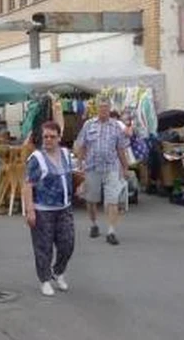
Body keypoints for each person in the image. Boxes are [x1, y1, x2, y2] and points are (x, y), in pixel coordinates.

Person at [22, 121, 75, 297]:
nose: (49, 140)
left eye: (52, 137)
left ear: (59, 138)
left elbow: (71, 175)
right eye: (45, 137)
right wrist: (30, 210)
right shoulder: (36, 158)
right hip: (43, 209)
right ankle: (44, 280)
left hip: (64, 208)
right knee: (43, 247)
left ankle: (58, 271)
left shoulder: (66, 154)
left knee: (67, 243)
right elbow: (28, 184)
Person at [74, 98, 131, 245]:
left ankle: (111, 231)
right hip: (92, 168)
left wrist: (125, 167)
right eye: (101, 108)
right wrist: (80, 163)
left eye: (106, 108)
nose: (103, 111)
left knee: (113, 200)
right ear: (97, 110)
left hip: (111, 168)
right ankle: (94, 224)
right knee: (91, 200)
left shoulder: (116, 127)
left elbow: (120, 148)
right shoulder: (89, 125)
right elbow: (82, 145)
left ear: (110, 110)